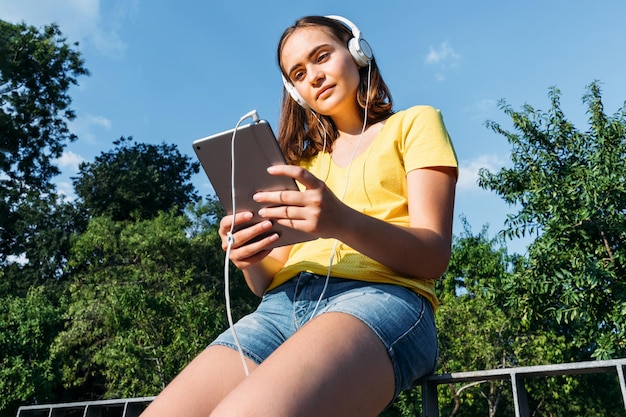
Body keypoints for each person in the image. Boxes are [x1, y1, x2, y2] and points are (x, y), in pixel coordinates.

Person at [141, 15, 457, 417]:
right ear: (296, 90)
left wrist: (340, 221)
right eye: (299, 73)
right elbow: (265, 281)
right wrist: (248, 256)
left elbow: (433, 256)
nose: (314, 76)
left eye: (322, 56)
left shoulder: (415, 123)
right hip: (278, 308)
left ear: (358, 52)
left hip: (381, 298)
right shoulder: (297, 164)